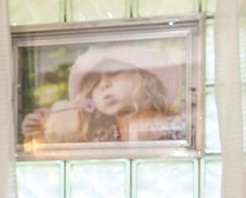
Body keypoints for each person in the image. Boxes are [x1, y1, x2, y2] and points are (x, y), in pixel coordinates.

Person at [21, 45, 184, 145]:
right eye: (95, 84)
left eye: (114, 73)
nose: (104, 86)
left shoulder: (178, 125)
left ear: (144, 78)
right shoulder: (102, 136)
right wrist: (37, 138)